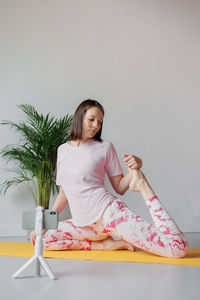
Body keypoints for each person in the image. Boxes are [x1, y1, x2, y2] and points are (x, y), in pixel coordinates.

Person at [30, 99, 188, 258]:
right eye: (91, 119)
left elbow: (119, 187)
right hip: (86, 225)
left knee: (176, 249)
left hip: (110, 215)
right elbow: (64, 193)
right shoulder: (62, 150)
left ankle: (142, 183)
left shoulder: (104, 147)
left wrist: (135, 169)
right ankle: (102, 244)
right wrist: (45, 223)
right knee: (41, 239)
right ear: (79, 117)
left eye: (99, 122)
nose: (96, 126)